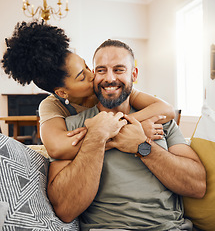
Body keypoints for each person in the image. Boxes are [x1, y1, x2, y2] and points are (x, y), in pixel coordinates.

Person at [47, 40, 206, 230]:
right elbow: (65, 209)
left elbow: (197, 186)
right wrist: (96, 137)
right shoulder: (72, 128)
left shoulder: (159, 120)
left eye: (119, 69)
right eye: (101, 70)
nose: (109, 78)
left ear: (134, 74)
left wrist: (142, 147)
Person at [1, 21, 175, 161]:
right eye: (81, 77)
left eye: (85, 65)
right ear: (62, 93)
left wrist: (121, 126)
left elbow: (166, 110)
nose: (92, 74)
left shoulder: (105, 88)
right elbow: (57, 149)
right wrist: (118, 136)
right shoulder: (52, 106)